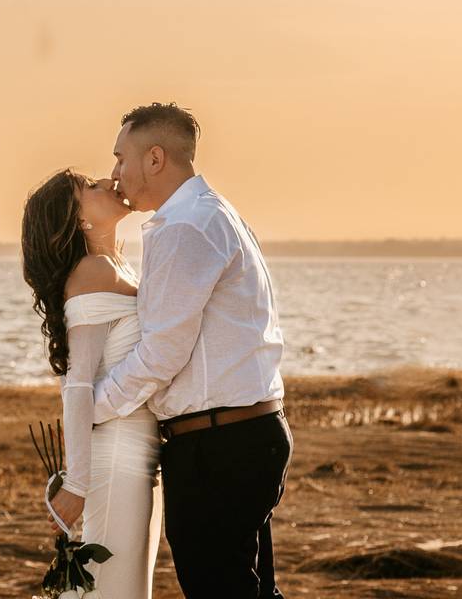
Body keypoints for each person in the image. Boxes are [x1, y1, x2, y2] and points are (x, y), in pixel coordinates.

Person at [92, 102, 293, 598]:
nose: (115, 172)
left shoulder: (184, 228)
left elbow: (163, 352)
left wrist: (92, 407)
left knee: (218, 589)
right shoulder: (210, 212)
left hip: (220, 445)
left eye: (122, 158)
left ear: (155, 158)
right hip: (242, 435)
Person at [22, 169, 162, 599]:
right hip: (117, 457)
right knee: (111, 591)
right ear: (79, 220)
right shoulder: (93, 271)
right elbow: (78, 385)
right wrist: (77, 485)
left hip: (141, 456)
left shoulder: (116, 266)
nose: (107, 181)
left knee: (127, 588)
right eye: (92, 188)